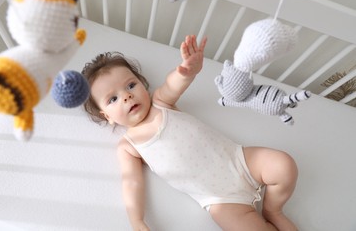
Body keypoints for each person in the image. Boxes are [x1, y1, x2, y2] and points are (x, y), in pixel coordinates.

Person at [81, 35, 298, 231]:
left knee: (284, 165)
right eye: (113, 99)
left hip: (239, 160)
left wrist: (187, 70)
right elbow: (131, 183)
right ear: (106, 116)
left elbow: (173, 83)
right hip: (220, 200)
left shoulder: (160, 102)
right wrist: (136, 220)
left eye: (130, 85)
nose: (126, 96)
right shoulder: (129, 145)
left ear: (142, 84)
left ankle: (273, 210)